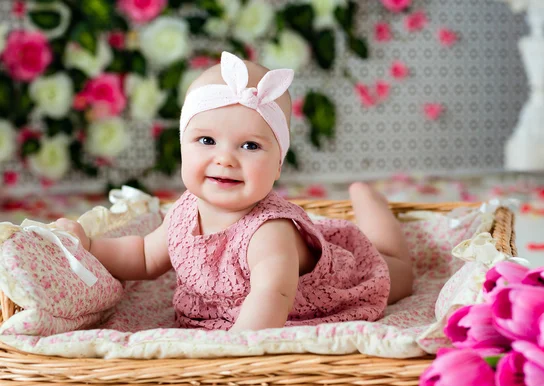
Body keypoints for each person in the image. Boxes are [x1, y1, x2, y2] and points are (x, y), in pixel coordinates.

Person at [56, 52, 413, 332]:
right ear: (183, 147)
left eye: (250, 146)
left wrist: (236, 350)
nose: (224, 159)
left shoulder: (268, 232)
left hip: (339, 286)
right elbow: (145, 257)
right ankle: (364, 198)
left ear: (278, 166)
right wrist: (88, 245)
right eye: (206, 140)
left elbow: (271, 295)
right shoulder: (185, 211)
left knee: (393, 268)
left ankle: (368, 198)